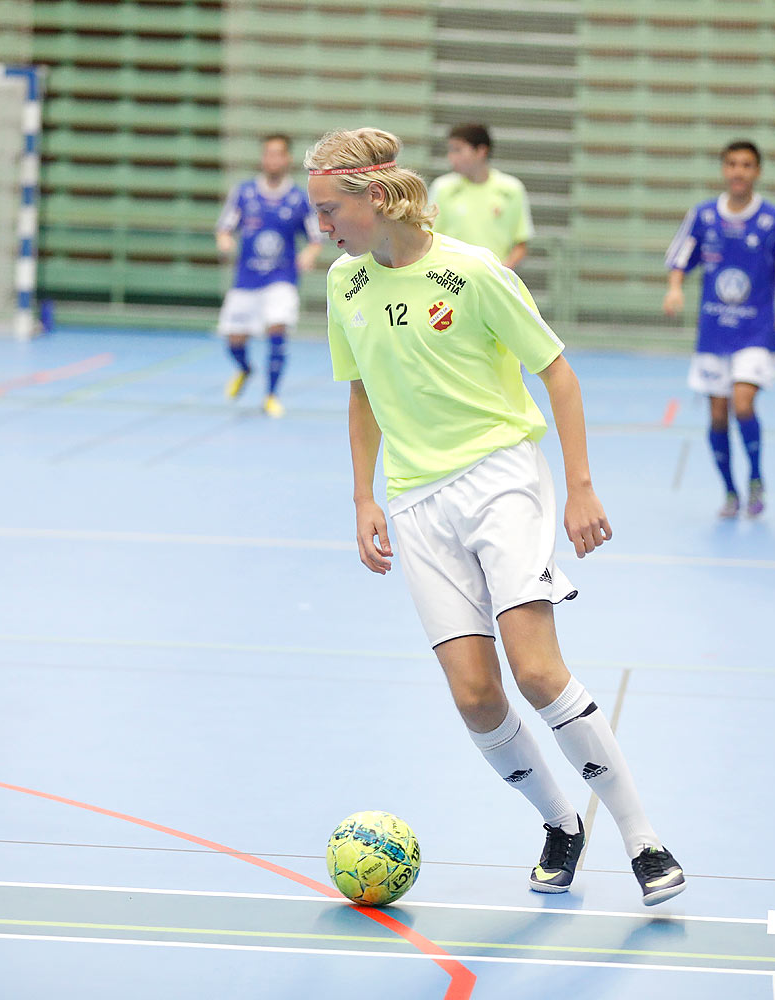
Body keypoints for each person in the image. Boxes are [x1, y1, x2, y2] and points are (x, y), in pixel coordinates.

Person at [308, 127, 686, 906]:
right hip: (416, 502)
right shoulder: (344, 283)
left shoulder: (474, 272)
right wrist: (363, 498)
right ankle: (559, 824)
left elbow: (559, 373)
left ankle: (643, 839)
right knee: (477, 694)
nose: (322, 228)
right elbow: (361, 394)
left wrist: (580, 487)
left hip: (500, 478)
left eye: (327, 210)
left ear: (374, 199)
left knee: (537, 670)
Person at [663, 140, 775, 519]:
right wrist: (675, 287)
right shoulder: (703, 216)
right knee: (718, 415)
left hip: (756, 331)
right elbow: (679, 259)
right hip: (713, 332)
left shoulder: (774, 219)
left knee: (743, 402)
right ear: (724, 169)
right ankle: (729, 490)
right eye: (732, 164)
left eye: (746, 165)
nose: (738, 171)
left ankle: (756, 478)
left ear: (757, 171)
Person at [215, 133, 324, 418]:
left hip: (282, 278)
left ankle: (271, 395)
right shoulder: (244, 193)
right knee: (234, 339)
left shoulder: (299, 199)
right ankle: (245, 369)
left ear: (287, 159)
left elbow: (315, 237)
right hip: (247, 280)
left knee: (278, 327)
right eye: (267, 154)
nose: (272, 159)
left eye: (278, 154)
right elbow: (225, 227)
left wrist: (309, 254)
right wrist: (225, 240)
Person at [429, 124, 533, 270]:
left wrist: (500, 273)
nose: (451, 157)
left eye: (457, 150)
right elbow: (428, 239)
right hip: (452, 280)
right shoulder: (442, 188)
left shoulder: (511, 189)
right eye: (450, 150)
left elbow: (521, 244)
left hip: (494, 280)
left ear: (481, 151)